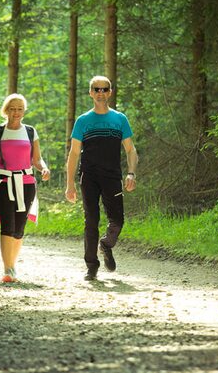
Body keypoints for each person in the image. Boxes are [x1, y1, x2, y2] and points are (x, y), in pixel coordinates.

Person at [65, 75, 138, 281]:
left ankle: (106, 244)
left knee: (117, 220)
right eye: (96, 89)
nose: (100, 93)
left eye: (104, 89)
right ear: (90, 93)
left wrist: (131, 172)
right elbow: (74, 154)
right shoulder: (83, 121)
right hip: (89, 177)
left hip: (112, 177)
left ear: (110, 92)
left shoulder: (120, 119)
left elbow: (131, 150)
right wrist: (69, 184)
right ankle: (91, 266)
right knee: (91, 220)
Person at [0, 93, 50, 283]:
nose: (16, 112)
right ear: (6, 110)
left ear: (24, 111)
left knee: (19, 228)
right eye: (12, 108)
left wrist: (43, 168)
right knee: (7, 225)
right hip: (4, 183)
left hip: (26, 184)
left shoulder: (31, 132)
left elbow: (36, 159)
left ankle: (12, 266)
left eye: (20, 109)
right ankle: (7, 270)